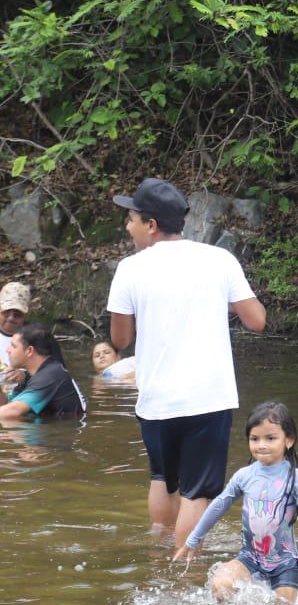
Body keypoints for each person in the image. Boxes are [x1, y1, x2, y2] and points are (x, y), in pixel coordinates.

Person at [107, 177, 267, 545]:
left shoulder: (130, 269)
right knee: (198, 492)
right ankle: (183, 577)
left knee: (163, 477)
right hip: (207, 398)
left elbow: (120, 340)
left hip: (156, 400)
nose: (126, 226)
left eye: (130, 219)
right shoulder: (219, 260)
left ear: (150, 225)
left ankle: (159, 558)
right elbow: (257, 321)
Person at [173, 401, 298, 604]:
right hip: (249, 558)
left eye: (270, 438)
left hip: (284, 562)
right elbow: (218, 506)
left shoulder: (296, 479)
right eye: (254, 438)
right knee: (220, 585)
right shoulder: (244, 476)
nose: (261, 445)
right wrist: (193, 539)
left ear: (289, 440)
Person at [0, 324, 87, 421]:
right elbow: (7, 405)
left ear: (29, 351)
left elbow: (10, 412)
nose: (7, 350)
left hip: (62, 433)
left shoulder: (50, 375)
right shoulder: (33, 375)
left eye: (13, 346)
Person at [0, 282, 31, 384]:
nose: (11, 318)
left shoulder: (38, 337)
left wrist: (25, 376)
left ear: (27, 313)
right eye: (6, 312)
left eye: (17, 314)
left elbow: (54, 374)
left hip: (23, 395)